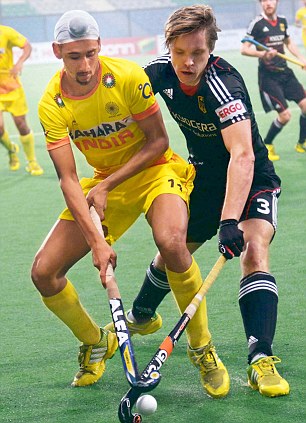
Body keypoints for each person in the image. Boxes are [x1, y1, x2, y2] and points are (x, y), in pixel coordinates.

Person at [30, 10, 229, 396]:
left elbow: (159, 142)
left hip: (155, 171)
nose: (85, 65)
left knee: (172, 242)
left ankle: (202, 348)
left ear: (100, 46)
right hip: (104, 182)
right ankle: (96, 342)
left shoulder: (126, 77)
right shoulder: (51, 103)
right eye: (74, 56)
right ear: (57, 52)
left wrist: (108, 187)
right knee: (44, 272)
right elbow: (69, 178)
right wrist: (98, 241)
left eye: (90, 53)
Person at [106, 4, 290, 398]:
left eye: (199, 54)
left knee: (253, 251)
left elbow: (243, 156)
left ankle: (260, 359)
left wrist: (229, 222)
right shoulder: (157, 71)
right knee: (173, 252)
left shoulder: (224, 84)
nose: (189, 63)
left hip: (252, 179)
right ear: (168, 46)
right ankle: (141, 315)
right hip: (203, 179)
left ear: (211, 51)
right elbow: (123, 97)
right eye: (180, 52)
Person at [241, 0, 306, 161]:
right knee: (285, 116)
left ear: (276, 2)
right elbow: (244, 49)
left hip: (286, 73)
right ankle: (268, 144)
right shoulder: (256, 23)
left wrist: (301, 58)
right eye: (264, 1)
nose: (268, 3)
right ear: (260, 3)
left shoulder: (282, 21)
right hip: (269, 77)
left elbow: (288, 42)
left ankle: (301, 142)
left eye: (271, 0)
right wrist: (263, 54)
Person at [0, 25, 43, 175]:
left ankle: (32, 161)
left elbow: (27, 46)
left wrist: (19, 63)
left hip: (12, 86)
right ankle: (12, 150)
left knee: (21, 125)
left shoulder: (6, 32)